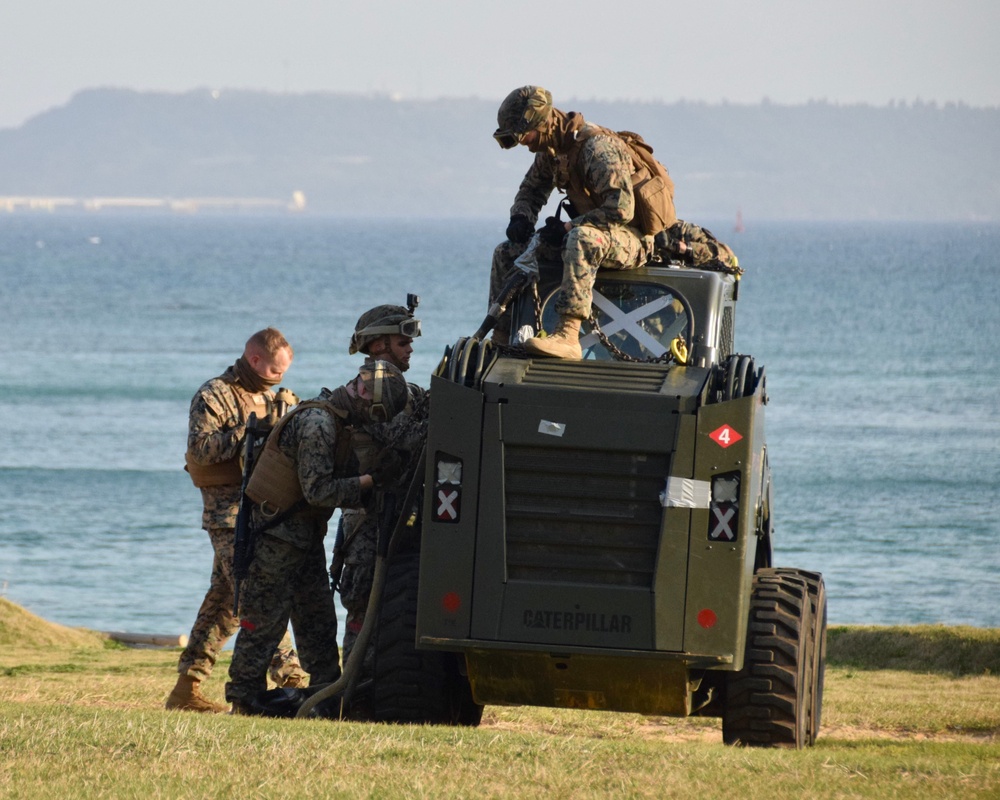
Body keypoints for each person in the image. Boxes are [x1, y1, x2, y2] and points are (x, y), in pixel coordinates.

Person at [225, 360, 410, 715]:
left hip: (301, 537)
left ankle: (326, 697)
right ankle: (243, 699)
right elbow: (318, 492)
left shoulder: (335, 419)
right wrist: (370, 481)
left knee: (317, 620)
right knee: (264, 622)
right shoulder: (320, 424)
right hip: (276, 539)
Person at [167, 327, 305, 714]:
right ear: (255, 358)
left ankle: (186, 688)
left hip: (261, 509)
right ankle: (291, 677)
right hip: (227, 515)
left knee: (223, 605)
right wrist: (252, 431)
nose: (279, 378)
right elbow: (200, 449)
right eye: (275, 371)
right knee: (257, 593)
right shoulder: (214, 394)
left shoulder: (268, 395)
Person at [490, 85, 677, 359]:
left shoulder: (596, 148)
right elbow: (531, 191)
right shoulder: (553, 153)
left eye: (524, 135)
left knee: (582, 239)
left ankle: (568, 335)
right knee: (507, 252)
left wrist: (568, 227)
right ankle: (500, 338)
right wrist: (521, 217)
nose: (524, 143)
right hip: (597, 234)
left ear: (542, 124)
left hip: (632, 239)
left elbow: (621, 209)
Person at [336, 303, 428, 672]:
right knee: (364, 609)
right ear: (377, 344)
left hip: (393, 514)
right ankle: (354, 692)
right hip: (368, 520)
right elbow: (406, 436)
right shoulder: (370, 390)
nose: (410, 347)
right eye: (402, 339)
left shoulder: (399, 388)